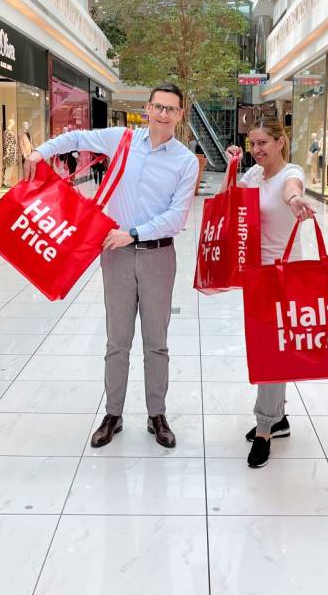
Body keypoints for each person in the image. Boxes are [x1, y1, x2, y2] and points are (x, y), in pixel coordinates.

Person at [24, 84, 199, 449]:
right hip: (115, 257)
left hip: (157, 256)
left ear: (180, 115)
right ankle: (113, 415)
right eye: (158, 107)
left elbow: (177, 217)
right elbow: (77, 138)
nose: (163, 114)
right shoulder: (122, 139)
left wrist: (132, 233)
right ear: (147, 109)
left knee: (156, 344)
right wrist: (40, 152)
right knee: (117, 341)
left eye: (171, 109)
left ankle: (157, 415)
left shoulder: (185, 161)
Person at [225, 117, 316, 469]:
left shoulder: (289, 174)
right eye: (252, 144)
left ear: (280, 142)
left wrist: (296, 200)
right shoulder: (254, 175)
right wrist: (233, 165)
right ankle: (278, 418)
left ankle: (265, 429)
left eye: (263, 142)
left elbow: (292, 189)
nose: (257, 149)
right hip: (255, 273)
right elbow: (230, 201)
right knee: (270, 348)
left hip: (282, 275)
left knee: (270, 352)